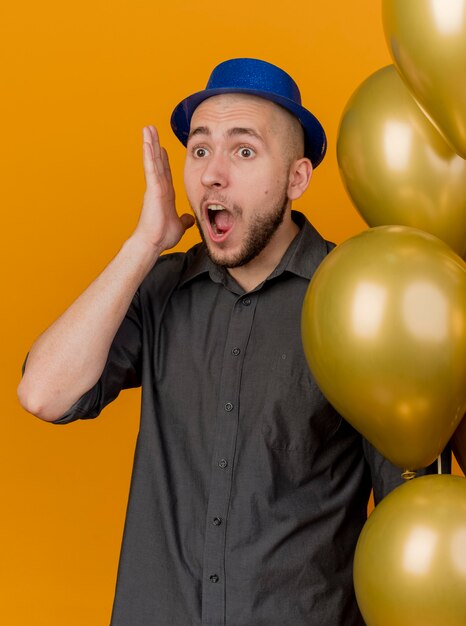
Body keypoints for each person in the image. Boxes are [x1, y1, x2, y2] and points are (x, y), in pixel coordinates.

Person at [18, 58, 450, 626]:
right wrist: (144, 245)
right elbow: (43, 394)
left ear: (297, 178)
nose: (212, 175)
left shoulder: (361, 306)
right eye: (200, 150)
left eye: (243, 151)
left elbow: (412, 523)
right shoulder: (160, 289)